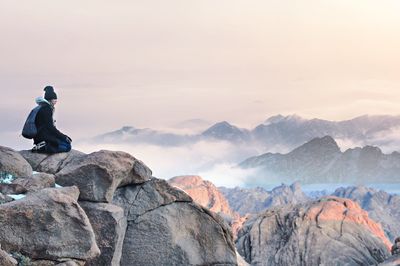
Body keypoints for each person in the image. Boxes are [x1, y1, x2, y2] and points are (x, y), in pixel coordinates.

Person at [32, 86, 72, 153]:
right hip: (44, 137)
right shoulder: (47, 109)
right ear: (50, 100)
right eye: (54, 99)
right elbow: (51, 128)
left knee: (64, 143)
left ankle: (43, 146)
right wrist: (64, 137)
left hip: (39, 136)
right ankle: (44, 147)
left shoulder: (42, 107)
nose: (56, 101)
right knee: (67, 146)